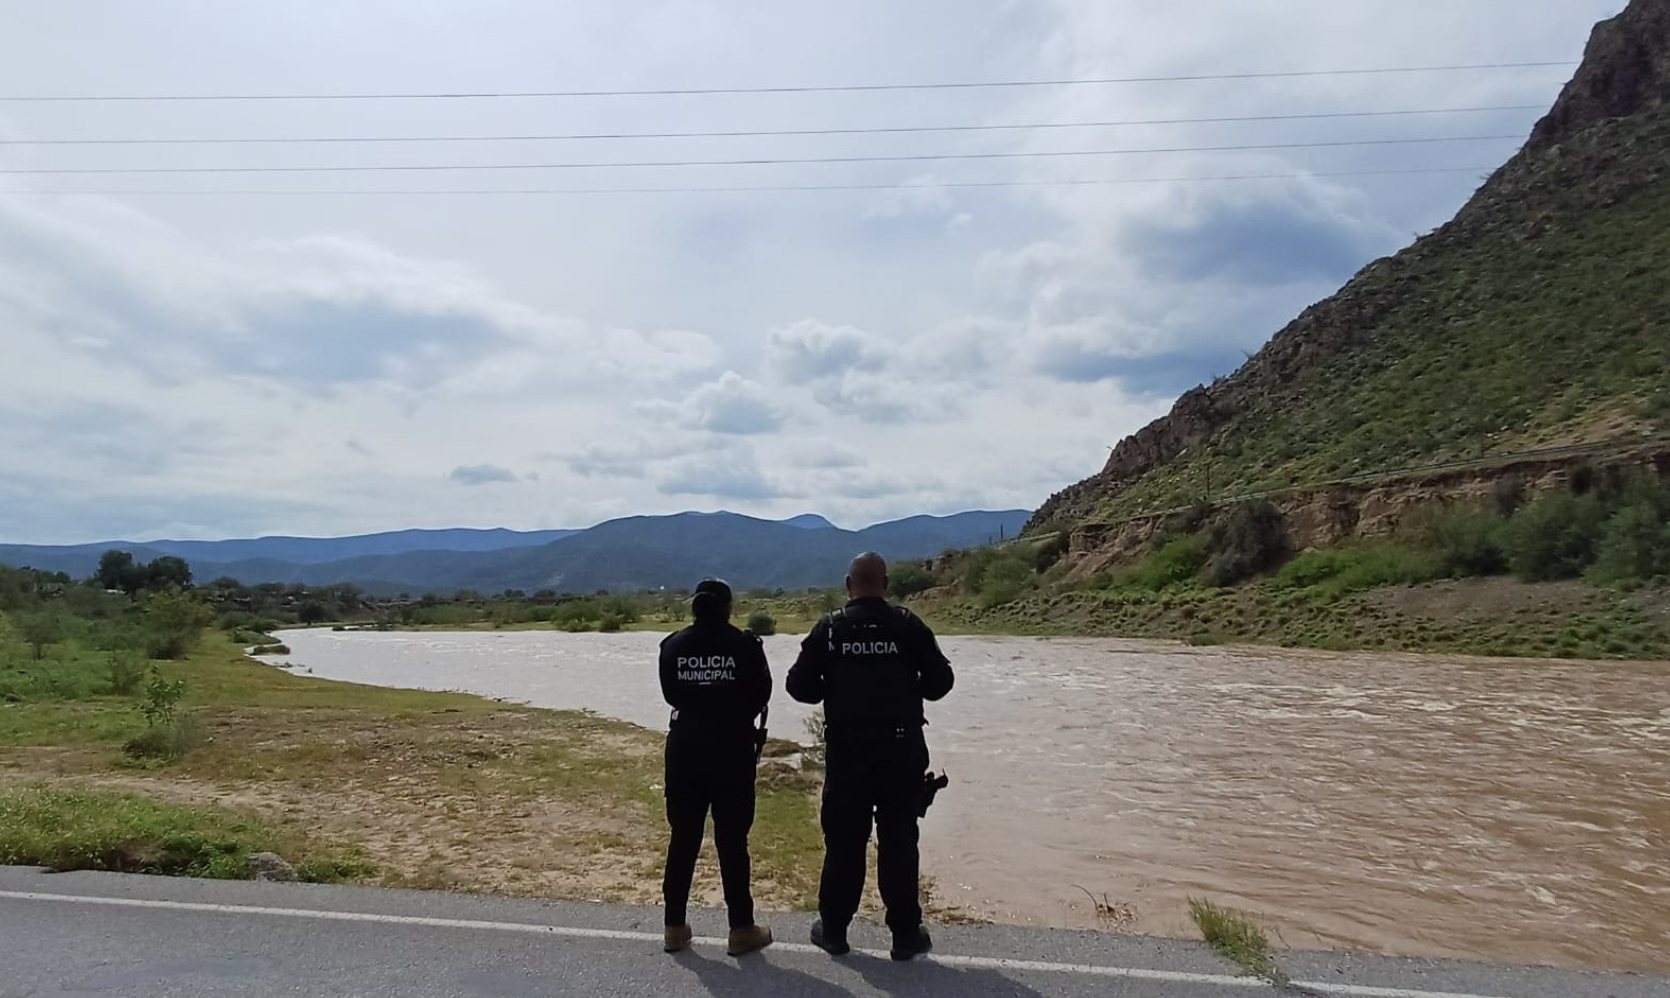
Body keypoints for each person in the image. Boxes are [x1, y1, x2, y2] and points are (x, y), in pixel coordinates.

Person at [786, 552, 955, 962]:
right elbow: (940, 683)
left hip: (848, 755)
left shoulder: (830, 629)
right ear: (886, 583)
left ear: (848, 585)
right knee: (899, 841)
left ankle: (835, 931)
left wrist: (836, 682)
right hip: (901, 753)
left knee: (844, 843)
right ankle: (904, 935)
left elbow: (799, 688)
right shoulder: (907, 625)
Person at [658, 577, 774, 957]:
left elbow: (670, 694)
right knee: (732, 841)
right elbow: (761, 695)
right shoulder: (745, 646)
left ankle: (674, 927)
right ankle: (741, 928)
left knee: (684, 837)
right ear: (728, 607)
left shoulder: (673, 646)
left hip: (685, 745)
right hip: (731, 748)